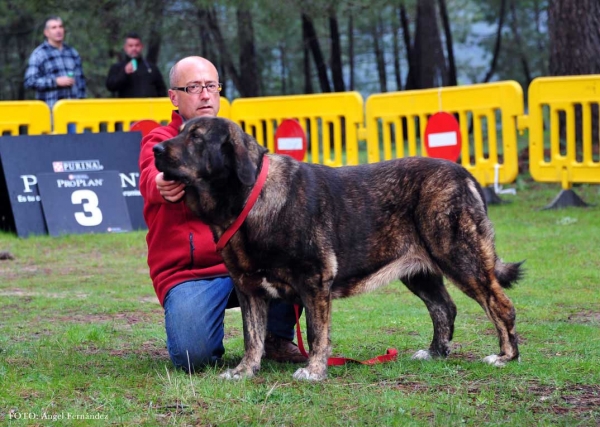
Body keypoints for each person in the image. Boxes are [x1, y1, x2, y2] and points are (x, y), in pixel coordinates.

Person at [138, 56, 306, 372]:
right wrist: (161, 182)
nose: (205, 95)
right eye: (194, 87)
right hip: (194, 274)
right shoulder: (161, 141)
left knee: (296, 257)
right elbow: (149, 175)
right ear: (174, 97)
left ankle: (275, 337)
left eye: (211, 86)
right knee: (194, 359)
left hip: (248, 262)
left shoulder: (233, 139)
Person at [24, 16, 86, 109]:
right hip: (51, 112)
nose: (58, 30)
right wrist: (55, 82)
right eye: (54, 27)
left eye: (60, 27)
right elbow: (30, 81)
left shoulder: (72, 52)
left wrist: (82, 104)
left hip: (73, 113)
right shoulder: (39, 54)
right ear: (46, 33)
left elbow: (81, 83)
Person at [106, 32, 167, 98]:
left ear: (141, 46)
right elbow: (110, 86)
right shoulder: (117, 67)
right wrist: (124, 73)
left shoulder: (151, 68)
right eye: (130, 46)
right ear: (125, 48)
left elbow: (162, 91)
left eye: (137, 45)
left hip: (148, 107)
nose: (134, 48)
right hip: (127, 107)